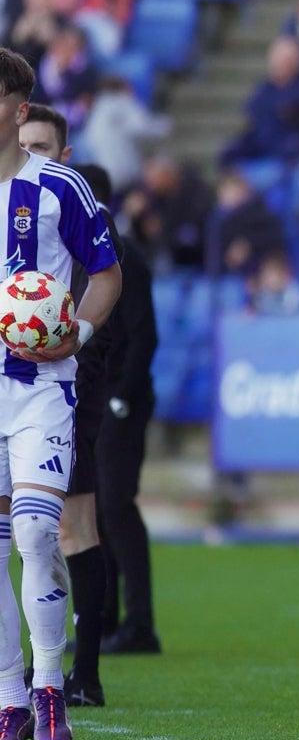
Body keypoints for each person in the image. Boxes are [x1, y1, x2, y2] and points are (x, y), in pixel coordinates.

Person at [0, 47, 122, 740]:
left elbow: (106, 273)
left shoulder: (59, 188)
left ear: (19, 112)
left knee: (39, 532)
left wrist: (74, 331)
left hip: (42, 385)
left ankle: (52, 686)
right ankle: (10, 696)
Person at [17, 105, 114, 708]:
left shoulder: (79, 218)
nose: (30, 154)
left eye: (41, 146)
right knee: (31, 540)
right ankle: (24, 676)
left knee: (71, 531)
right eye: (24, 144)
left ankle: (83, 672)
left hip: (70, 391)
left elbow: (119, 312)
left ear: (63, 153)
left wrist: (77, 349)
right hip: (17, 389)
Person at [74, 164, 160, 657]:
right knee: (97, 511)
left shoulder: (124, 255)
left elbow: (144, 334)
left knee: (116, 507)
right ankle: (104, 622)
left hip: (118, 400)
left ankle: (141, 625)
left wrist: (122, 395)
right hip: (98, 394)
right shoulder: (90, 248)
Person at [219, 35, 299, 166]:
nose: (280, 64)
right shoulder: (265, 88)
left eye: (286, 60)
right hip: (262, 147)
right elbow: (253, 112)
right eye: (277, 59)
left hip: (292, 153)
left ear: (297, 62)